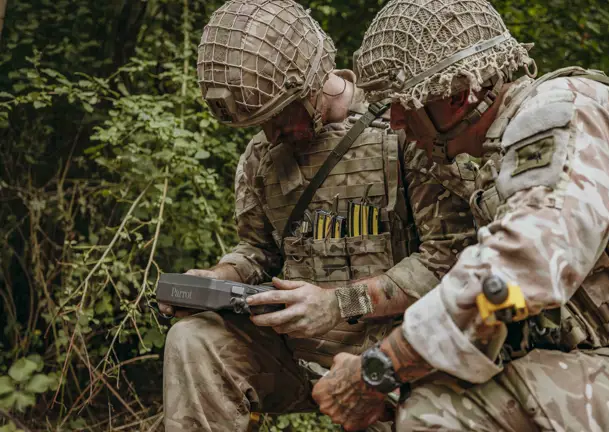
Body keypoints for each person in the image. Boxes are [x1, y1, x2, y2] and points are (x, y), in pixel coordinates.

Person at [312, 0, 609, 430]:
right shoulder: (504, 154)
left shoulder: (558, 112)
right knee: (430, 382)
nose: (394, 121)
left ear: (456, 98)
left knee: (443, 413)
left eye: (403, 103)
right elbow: (499, 302)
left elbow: (523, 266)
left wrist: (379, 368)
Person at [158, 1, 479, 431]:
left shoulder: (403, 128)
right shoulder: (262, 157)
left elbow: (447, 261)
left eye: (276, 116)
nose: (270, 134)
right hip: (293, 353)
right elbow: (258, 250)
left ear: (310, 82)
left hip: (394, 349)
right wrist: (219, 278)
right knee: (194, 339)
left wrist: (338, 304)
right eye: (259, 124)